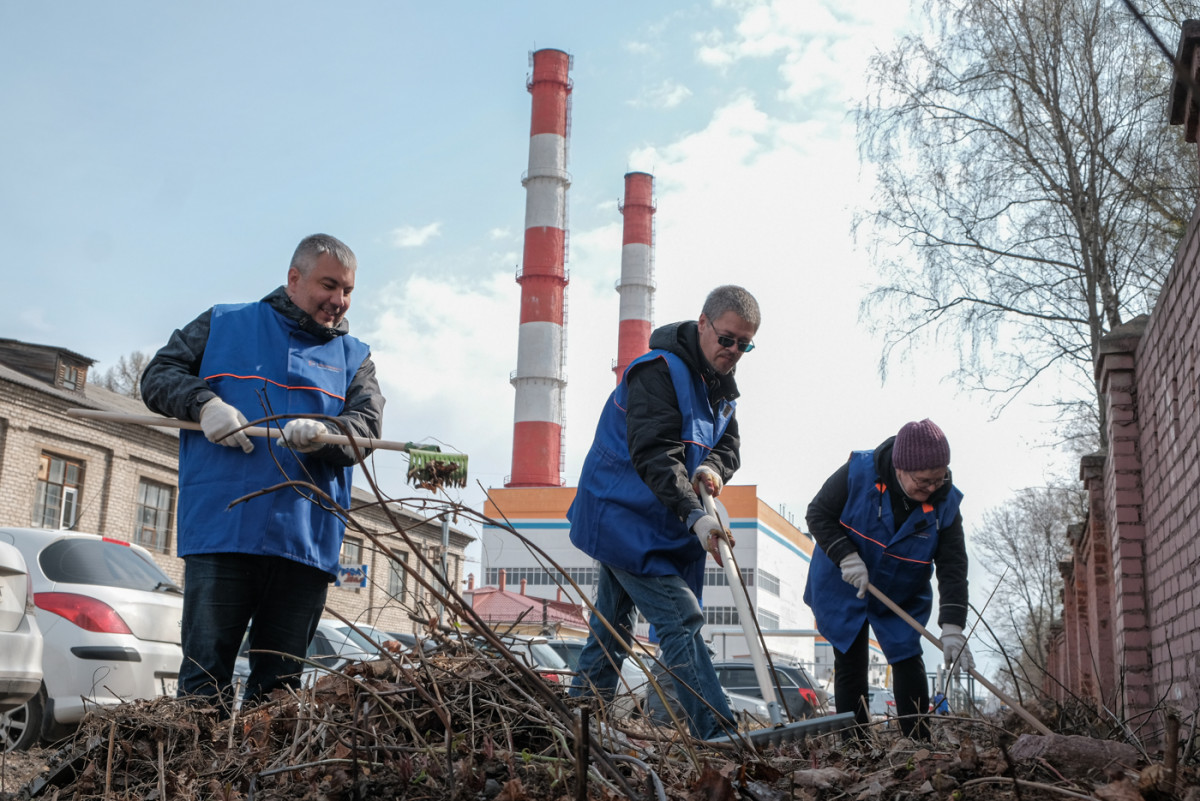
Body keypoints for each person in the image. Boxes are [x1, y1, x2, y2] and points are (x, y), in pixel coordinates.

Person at [141, 233, 385, 713]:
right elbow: (158, 376)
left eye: (348, 291)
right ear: (294, 279)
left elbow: (367, 427)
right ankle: (197, 784)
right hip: (224, 532)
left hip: (305, 542)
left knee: (279, 693)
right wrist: (202, 402)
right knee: (203, 681)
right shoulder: (223, 324)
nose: (339, 301)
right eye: (329, 285)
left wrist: (328, 431)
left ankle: (257, 784)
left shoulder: (355, 358)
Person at [567, 285, 760, 740]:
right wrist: (696, 516)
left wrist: (713, 467)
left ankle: (576, 722)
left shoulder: (720, 391)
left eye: (744, 345)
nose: (733, 351)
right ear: (703, 324)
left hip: (658, 523)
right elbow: (655, 455)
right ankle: (717, 731)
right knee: (680, 615)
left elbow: (729, 443)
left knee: (612, 627)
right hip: (621, 515)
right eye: (727, 338)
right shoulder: (658, 373)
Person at [803, 419, 972, 740]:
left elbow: (953, 564)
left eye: (939, 479)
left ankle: (918, 742)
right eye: (923, 482)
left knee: (907, 654)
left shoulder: (946, 503)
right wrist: (846, 555)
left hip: (901, 586)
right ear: (900, 469)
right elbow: (818, 513)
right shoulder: (858, 473)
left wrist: (952, 627)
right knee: (850, 656)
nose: (932, 488)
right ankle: (855, 745)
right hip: (844, 581)